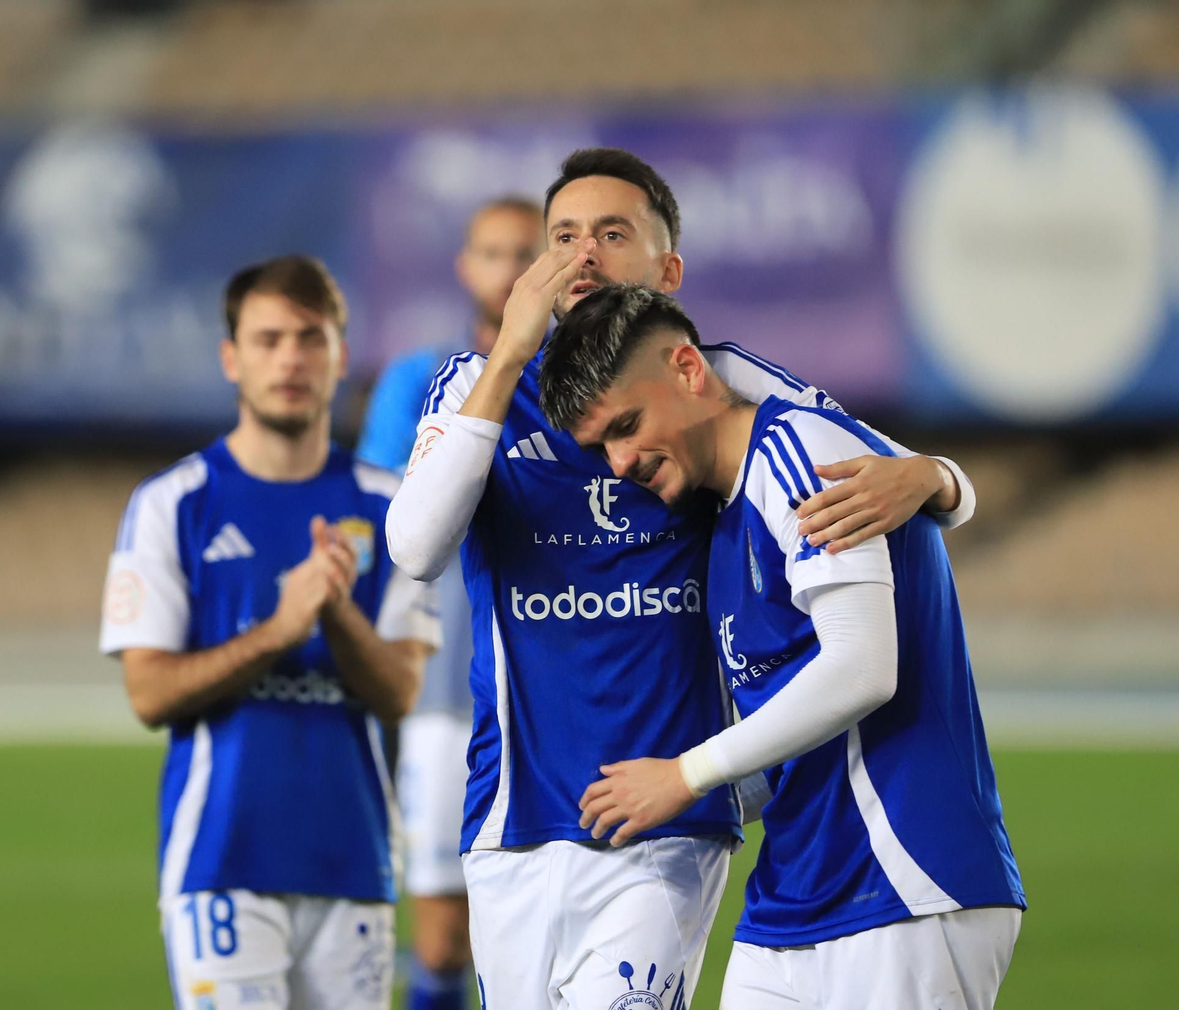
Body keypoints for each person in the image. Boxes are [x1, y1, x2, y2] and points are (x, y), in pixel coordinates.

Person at [386, 148, 979, 1010]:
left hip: (666, 823)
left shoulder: (713, 379)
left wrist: (940, 478)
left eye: (611, 234)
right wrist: (511, 351)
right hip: (510, 820)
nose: (581, 256)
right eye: (562, 237)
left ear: (667, 270)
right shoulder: (479, 387)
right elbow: (414, 547)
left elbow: (885, 478)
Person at [540, 284, 1025, 1010]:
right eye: (602, 444)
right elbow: (795, 740)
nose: (620, 462)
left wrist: (687, 773)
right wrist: (681, 801)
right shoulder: (729, 522)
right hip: (793, 901)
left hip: (905, 882)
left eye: (628, 424)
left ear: (686, 368)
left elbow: (863, 669)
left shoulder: (799, 450)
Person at [101, 255, 440, 1010]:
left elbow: (401, 692)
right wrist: (278, 631)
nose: (290, 358)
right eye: (268, 339)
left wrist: (336, 613)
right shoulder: (174, 504)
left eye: (311, 338)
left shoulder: (393, 509)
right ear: (232, 358)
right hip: (220, 862)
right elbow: (149, 692)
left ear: (341, 355)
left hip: (355, 865)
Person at [357, 196, 542, 1010]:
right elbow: (392, 517)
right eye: (492, 252)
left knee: (531, 930)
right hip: (442, 688)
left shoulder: (580, 382)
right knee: (440, 932)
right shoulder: (418, 381)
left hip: (542, 688)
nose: (507, 269)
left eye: (524, 253)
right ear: (466, 266)